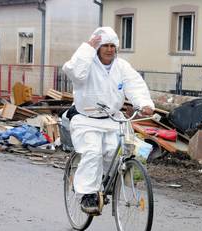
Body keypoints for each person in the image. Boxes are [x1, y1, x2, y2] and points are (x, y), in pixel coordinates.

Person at [62, 27, 155, 214]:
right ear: (97, 47)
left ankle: (107, 182)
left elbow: (135, 85)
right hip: (86, 119)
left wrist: (144, 103)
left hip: (112, 119)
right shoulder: (87, 63)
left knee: (116, 152)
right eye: (105, 45)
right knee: (92, 152)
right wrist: (87, 48)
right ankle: (87, 194)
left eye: (113, 45)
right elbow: (74, 72)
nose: (110, 49)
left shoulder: (121, 66)